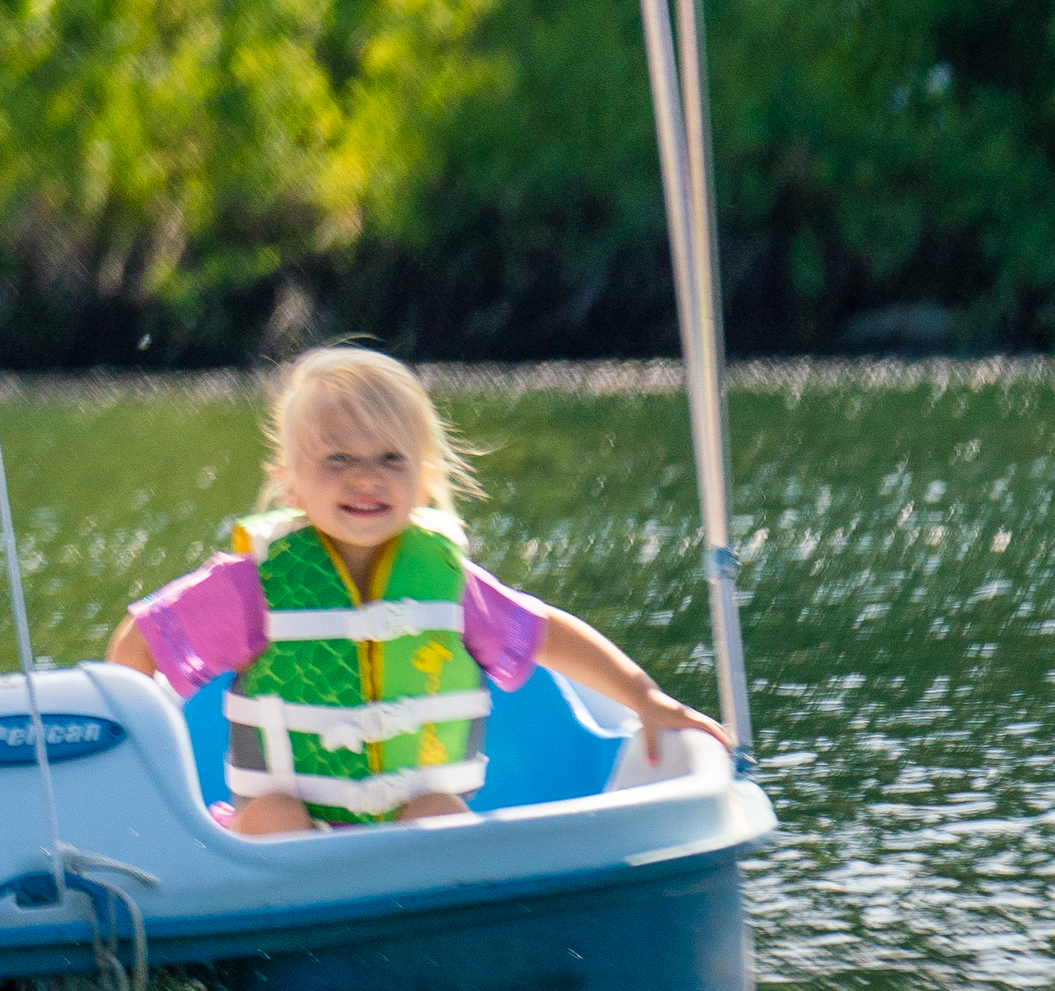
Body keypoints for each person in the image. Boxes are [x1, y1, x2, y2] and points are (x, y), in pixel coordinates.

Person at [106, 344, 725, 833]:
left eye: (390, 460)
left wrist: (645, 698)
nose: (366, 479)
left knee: (443, 815)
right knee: (272, 818)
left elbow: (543, 633)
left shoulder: (446, 584)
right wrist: (131, 771)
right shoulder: (253, 586)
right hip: (287, 832)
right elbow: (141, 640)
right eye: (337, 460)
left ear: (425, 480)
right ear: (290, 483)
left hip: (407, 827)